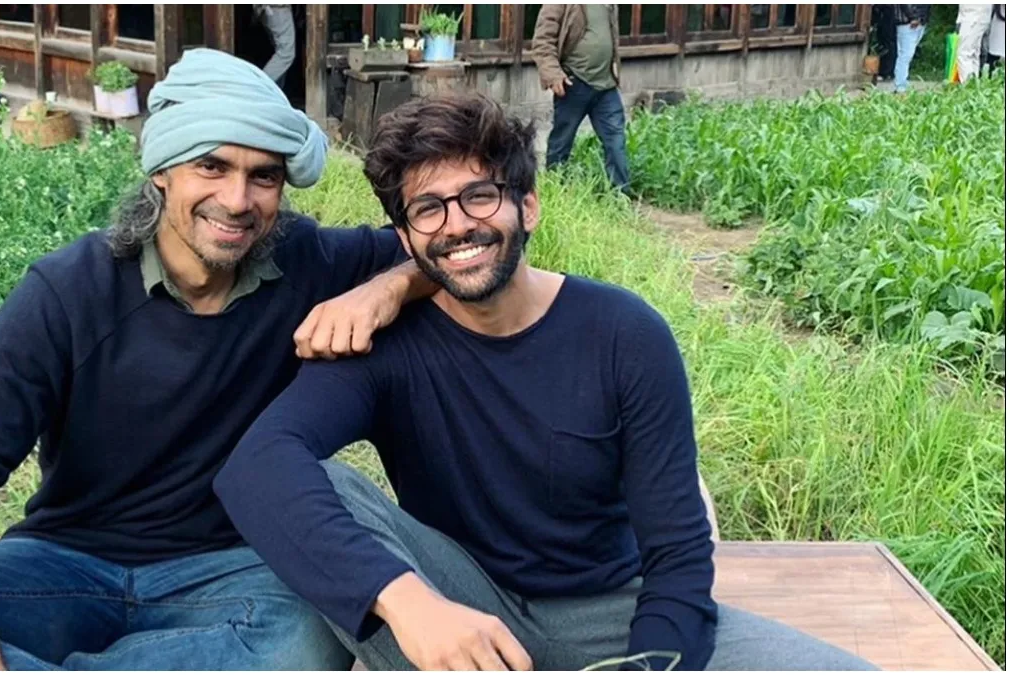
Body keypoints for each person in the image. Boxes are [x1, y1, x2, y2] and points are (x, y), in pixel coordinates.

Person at [0, 49, 436, 671]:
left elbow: (448, 251)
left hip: (231, 575)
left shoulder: (305, 260)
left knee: (309, 639)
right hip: (65, 567)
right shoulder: (68, 292)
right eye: (211, 166)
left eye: (264, 176)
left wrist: (385, 288)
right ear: (163, 169)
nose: (237, 199)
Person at [214, 93, 879, 672]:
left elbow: (677, 556)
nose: (458, 224)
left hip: (611, 610)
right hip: (460, 608)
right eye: (428, 209)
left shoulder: (624, 333)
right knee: (322, 485)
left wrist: (651, 666)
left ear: (527, 206)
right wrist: (413, 605)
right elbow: (255, 468)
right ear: (405, 238)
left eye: (479, 196)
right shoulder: (383, 345)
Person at [532, 4, 630, 193]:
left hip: (606, 84)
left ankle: (621, 196)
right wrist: (553, 74)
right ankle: (554, 191)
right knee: (561, 142)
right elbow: (543, 41)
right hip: (574, 82)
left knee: (616, 141)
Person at [255, 4, 297, 87]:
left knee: (280, 55)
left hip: (270, 8)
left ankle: (274, 92)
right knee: (286, 53)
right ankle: (258, 87)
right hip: (277, 7)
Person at [894, 5, 932, 93]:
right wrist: (913, 17)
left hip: (916, 21)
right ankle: (901, 86)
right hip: (909, 22)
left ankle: (901, 84)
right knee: (905, 55)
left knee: (905, 55)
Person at [958, 5, 994, 82]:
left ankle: (968, 84)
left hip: (973, 15)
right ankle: (974, 83)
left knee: (964, 53)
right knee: (974, 53)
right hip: (978, 14)